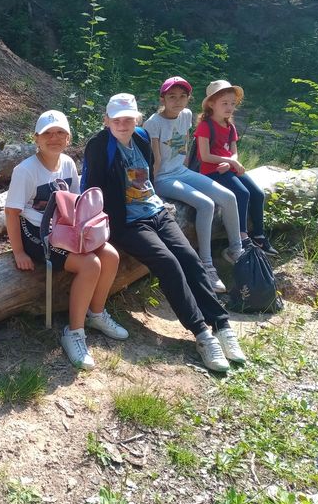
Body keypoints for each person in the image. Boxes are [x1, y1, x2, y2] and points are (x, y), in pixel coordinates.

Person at [83, 94, 247, 373]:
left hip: (156, 211)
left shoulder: (141, 137)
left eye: (128, 119)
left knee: (190, 258)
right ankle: (202, 334)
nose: (123, 124)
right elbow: (91, 189)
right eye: (117, 119)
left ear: (136, 119)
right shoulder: (99, 146)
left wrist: (155, 202)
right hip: (126, 223)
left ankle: (221, 325)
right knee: (168, 263)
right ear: (106, 120)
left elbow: (147, 175)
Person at [5, 110, 126, 370]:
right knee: (90, 264)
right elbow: (12, 212)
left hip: (64, 229)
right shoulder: (25, 171)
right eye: (47, 133)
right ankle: (74, 332)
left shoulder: (68, 163)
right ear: (36, 138)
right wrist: (19, 252)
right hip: (36, 233)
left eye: (60, 133)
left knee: (110, 255)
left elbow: (74, 202)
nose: (54, 138)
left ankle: (96, 313)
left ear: (68, 138)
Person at [143, 76, 244, 293]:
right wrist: (151, 190)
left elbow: (186, 146)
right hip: (163, 178)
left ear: (189, 98)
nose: (177, 101)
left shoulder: (187, 115)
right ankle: (206, 265)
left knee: (229, 197)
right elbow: (155, 160)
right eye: (172, 96)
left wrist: (190, 172)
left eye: (183, 96)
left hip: (182, 172)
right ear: (162, 99)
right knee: (206, 204)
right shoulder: (153, 123)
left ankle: (236, 250)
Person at [194, 80, 278, 256]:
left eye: (232, 103)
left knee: (258, 194)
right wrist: (230, 162)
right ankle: (242, 237)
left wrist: (233, 161)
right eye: (224, 103)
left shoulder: (230, 126)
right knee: (242, 193)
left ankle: (259, 235)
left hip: (229, 168)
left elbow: (234, 152)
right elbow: (205, 156)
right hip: (212, 172)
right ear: (211, 104)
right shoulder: (205, 126)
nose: (229, 107)